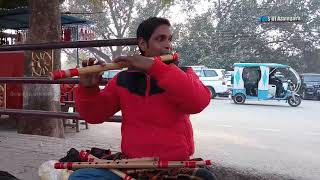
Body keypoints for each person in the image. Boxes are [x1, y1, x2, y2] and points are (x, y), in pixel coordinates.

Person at [70, 17, 213, 179]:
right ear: (143, 44)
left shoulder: (183, 74)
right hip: (132, 163)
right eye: (160, 39)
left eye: (169, 39)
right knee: (80, 177)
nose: (168, 45)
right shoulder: (124, 79)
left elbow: (197, 102)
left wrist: (155, 68)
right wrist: (89, 89)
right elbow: (94, 115)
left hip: (172, 166)